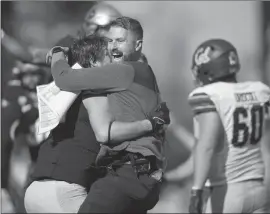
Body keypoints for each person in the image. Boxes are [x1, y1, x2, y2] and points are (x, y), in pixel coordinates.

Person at [24, 35, 169, 213]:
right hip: (64, 192)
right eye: (111, 57)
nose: (119, 65)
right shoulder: (96, 92)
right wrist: (150, 124)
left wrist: (59, 54)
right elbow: (104, 133)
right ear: (93, 62)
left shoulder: (74, 90)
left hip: (37, 189)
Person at [187, 39, 270, 213]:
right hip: (259, 188)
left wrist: (196, 190)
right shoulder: (260, 90)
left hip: (226, 191)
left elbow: (207, 145)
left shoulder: (209, 94)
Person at [1, 62, 46, 213]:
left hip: (32, 152)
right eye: (28, 75)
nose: (32, 79)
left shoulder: (43, 92)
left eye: (35, 74)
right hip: (14, 149)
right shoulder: (14, 91)